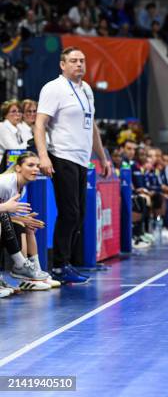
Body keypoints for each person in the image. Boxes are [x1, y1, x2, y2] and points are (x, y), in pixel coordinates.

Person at [33, 46, 111, 285]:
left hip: (82, 158)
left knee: (79, 214)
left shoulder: (86, 90)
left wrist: (102, 156)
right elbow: (40, 124)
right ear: (62, 65)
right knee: (69, 212)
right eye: (74, 61)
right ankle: (59, 265)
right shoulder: (53, 88)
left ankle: (67, 262)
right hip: (62, 155)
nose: (79, 64)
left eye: (82, 61)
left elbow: (92, 125)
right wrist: (43, 156)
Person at [0, 152, 56, 293]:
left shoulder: (21, 188)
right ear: (18, 168)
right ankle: (21, 266)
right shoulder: (5, 183)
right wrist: (8, 209)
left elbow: (5, 214)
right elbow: (4, 212)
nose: (36, 169)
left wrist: (22, 219)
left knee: (26, 226)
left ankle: (31, 273)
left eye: (37, 166)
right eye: (30, 165)